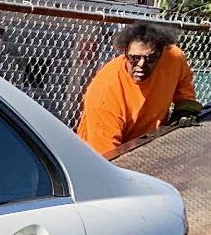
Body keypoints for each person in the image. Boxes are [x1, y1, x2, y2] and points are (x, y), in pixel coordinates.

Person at [76, 22, 203, 158]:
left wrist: (185, 108)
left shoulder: (174, 58)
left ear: (161, 53)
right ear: (125, 53)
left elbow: (184, 85)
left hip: (149, 145)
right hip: (102, 157)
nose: (141, 65)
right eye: (134, 58)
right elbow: (104, 157)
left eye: (150, 58)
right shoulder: (105, 94)